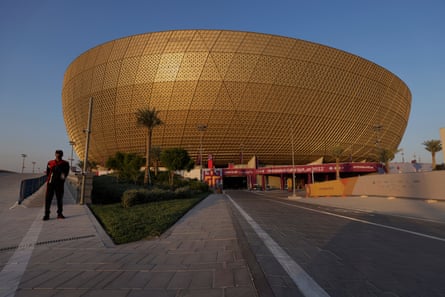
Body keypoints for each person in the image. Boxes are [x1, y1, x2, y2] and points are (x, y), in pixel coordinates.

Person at [43, 150, 70, 220]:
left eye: (59, 154)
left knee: (59, 199)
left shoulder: (65, 163)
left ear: (62, 155)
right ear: (55, 154)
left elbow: (65, 174)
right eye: (57, 154)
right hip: (50, 183)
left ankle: (60, 214)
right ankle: (46, 214)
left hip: (59, 184)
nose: (58, 155)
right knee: (48, 199)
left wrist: (62, 180)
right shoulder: (50, 162)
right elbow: (48, 173)